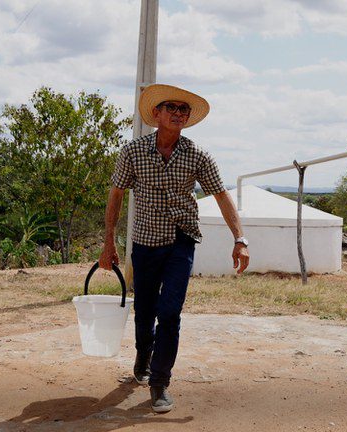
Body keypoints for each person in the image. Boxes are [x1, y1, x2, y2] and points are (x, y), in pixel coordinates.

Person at [99, 83, 249, 414]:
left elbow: (221, 195)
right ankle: (144, 351)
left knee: (170, 312)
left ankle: (160, 382)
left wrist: (240, 238)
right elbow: (117, 194)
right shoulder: (133, 152)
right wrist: (109, 241)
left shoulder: (198, 155)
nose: (179, 114)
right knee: (146, 309)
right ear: (157, 114)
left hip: (182, 240)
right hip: (146, 241)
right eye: (172, 108)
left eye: (184, 110)